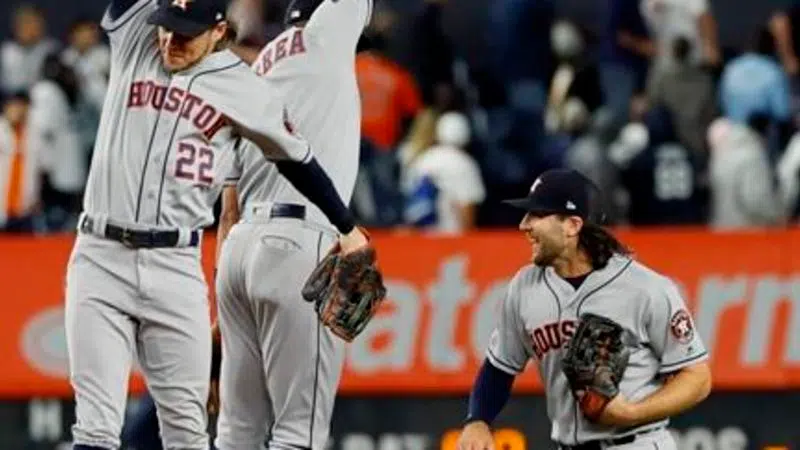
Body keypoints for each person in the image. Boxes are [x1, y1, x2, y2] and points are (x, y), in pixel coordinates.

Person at [64, 0, 369, 448]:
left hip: (176, 264)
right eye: (166, 27)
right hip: (100, 253)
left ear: (219, 32)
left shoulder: (247, 86)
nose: (169, 40)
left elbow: (297, 159)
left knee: (189, 433)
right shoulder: (137, 42)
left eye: (185, 32)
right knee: (95, 428)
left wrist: (347, 227)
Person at [211, 0, 372, 448]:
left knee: (236, 430)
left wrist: (221, 313)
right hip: (298, 240)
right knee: (299, 430)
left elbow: (228, 209)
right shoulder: (324, 37)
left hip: (237, 252)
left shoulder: (255, 69)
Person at [456, 168, 712, 450]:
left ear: (572, 225)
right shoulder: (524, 286)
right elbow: (499, 366)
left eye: (537, 215)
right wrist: (478, 420)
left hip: (636, 443)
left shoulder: (644, 287)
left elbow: (697, 378)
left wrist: (633, 413)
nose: (524, 225)